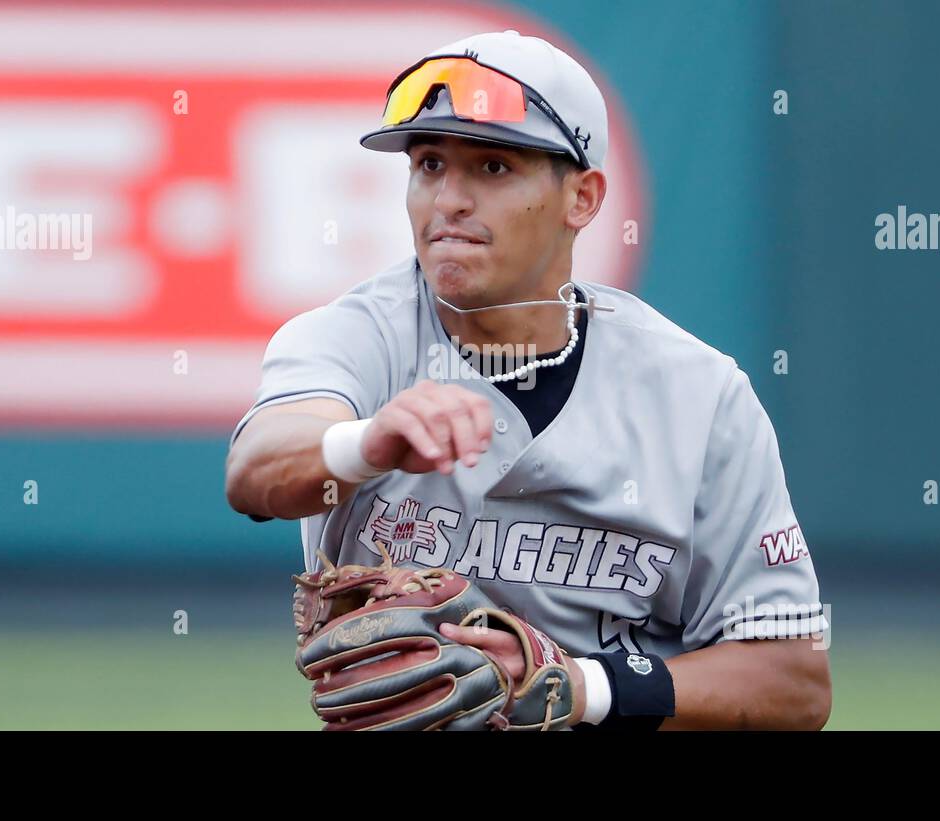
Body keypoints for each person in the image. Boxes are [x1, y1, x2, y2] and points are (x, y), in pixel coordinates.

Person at [225, 29, 830, 730]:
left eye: (491, 167)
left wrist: (581, 685)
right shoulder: (358, 337)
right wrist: (364, 444)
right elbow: (255, 468)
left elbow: (795, 679)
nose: (446, 199)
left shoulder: (699, 394)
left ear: (583, 197)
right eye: (428, 164)